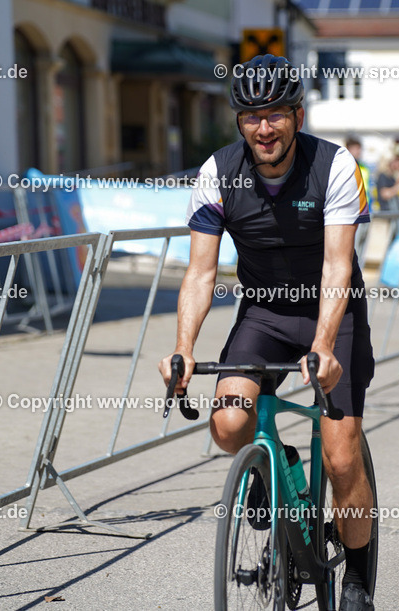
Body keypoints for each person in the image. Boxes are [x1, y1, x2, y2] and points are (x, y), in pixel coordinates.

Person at [159, 54, 377, 611]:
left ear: (296, 116)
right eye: (252, 116)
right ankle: (273, 467)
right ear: (239, 122)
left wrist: (324, 346)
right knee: (229, 424)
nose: (264, 127)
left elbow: (337, 267)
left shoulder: (335, 168)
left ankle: (356, 579)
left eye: (276, 113)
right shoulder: (217, 174)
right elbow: (201, 272)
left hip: (334, 314)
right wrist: (183, 350)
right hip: (263, 315)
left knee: (342, 456)